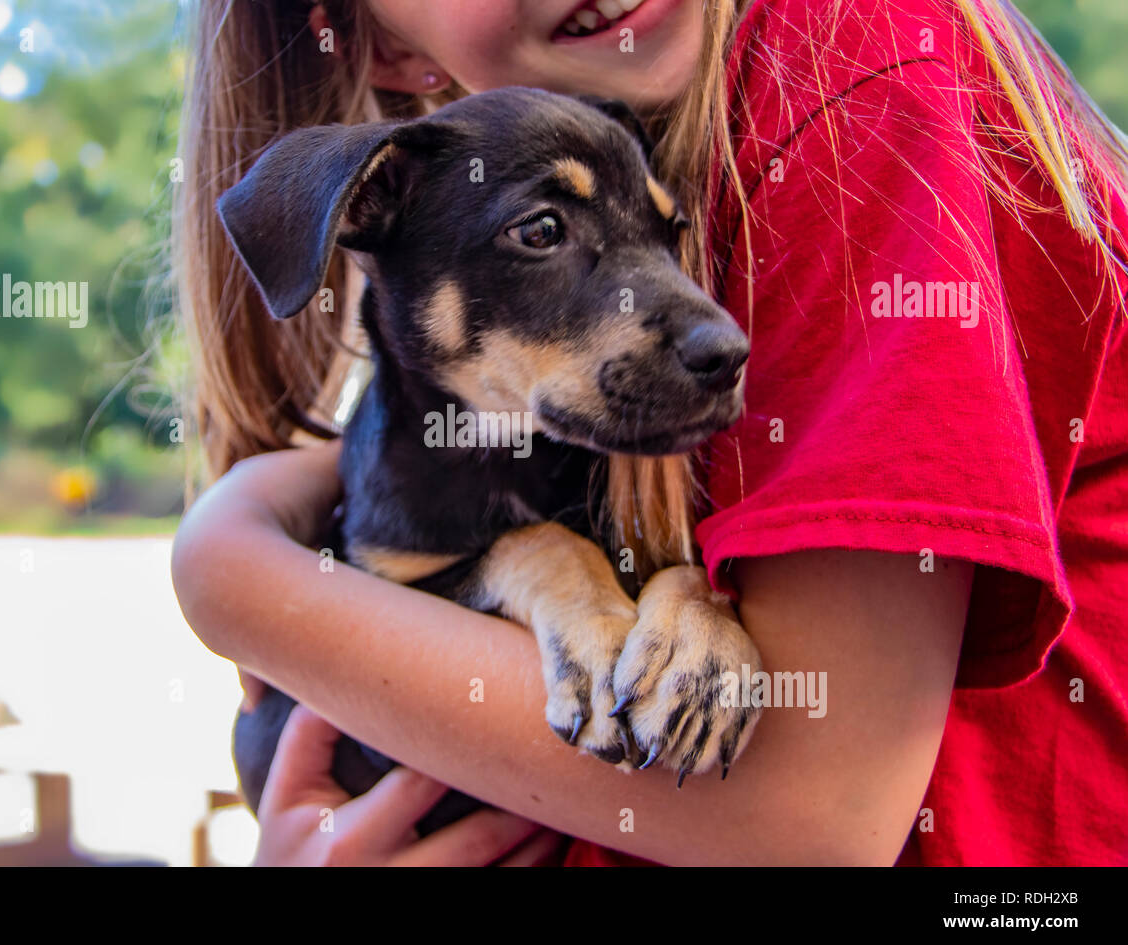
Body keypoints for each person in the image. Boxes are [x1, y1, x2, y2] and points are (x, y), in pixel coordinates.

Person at [170, 0, 1128, 865]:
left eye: (666, 241)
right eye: (542, 235)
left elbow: (809, 818)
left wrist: (232, 577)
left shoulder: (840, 72)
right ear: (383, 42)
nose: (716, 331)